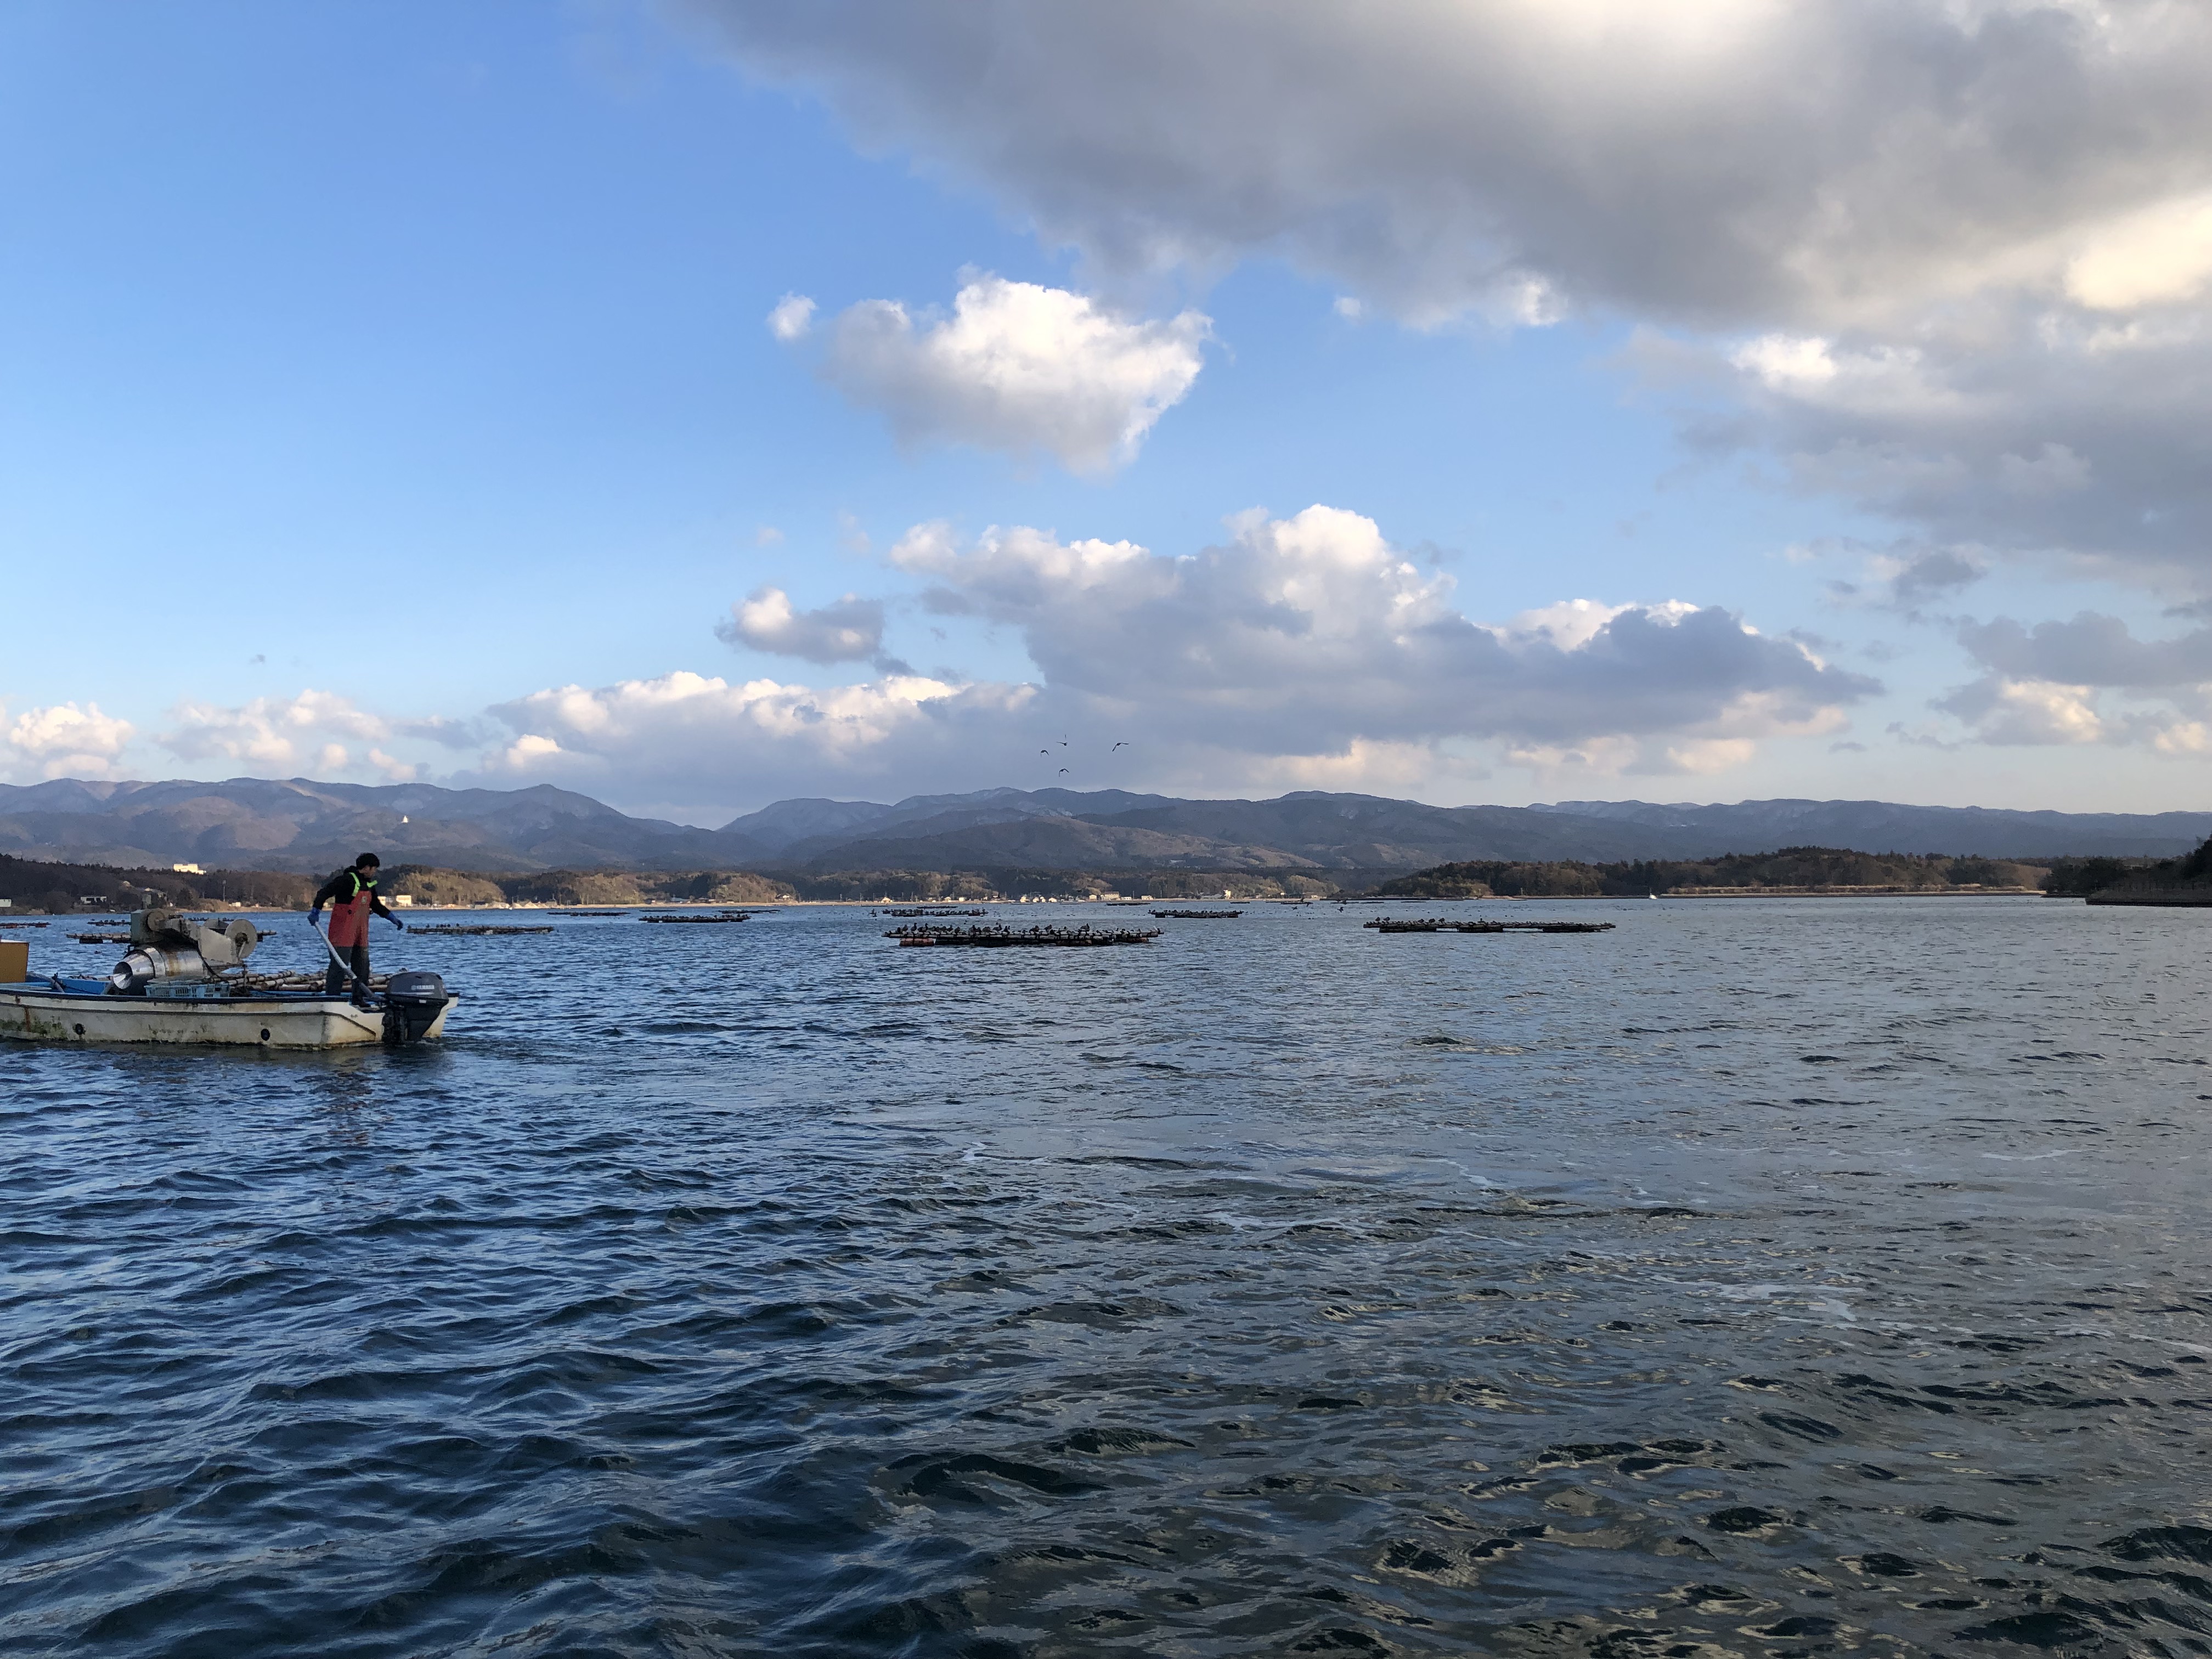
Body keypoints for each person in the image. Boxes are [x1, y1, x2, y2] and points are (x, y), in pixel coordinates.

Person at [311, 853, 404, 1002]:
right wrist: (316, 910)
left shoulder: (369, 885)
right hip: (342, 931)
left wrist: (392, 918)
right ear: (367, 868)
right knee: (339, 967)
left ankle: (359, 999)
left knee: (362, 968)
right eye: (374, 868)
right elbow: (324, 893)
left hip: (360, 932)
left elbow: (376, 905)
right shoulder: (346, 880)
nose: (375, 872)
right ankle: (332, 1000)